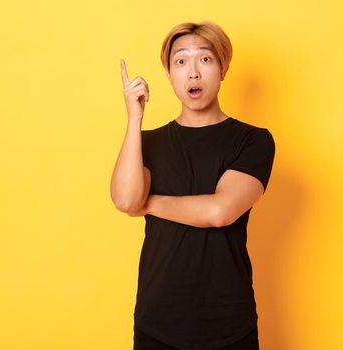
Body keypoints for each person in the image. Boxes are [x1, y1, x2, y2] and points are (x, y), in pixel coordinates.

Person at [110, 21, 275, 350]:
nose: (193, 73)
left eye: (205, 59)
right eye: (181, 61)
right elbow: (126, 199)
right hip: (157, 320)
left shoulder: (253, 140)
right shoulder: (147, 142)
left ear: (223, 68)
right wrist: (134, 119)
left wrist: (149, 203)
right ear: (169, 74)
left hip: (228, 323)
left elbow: (220, 211)